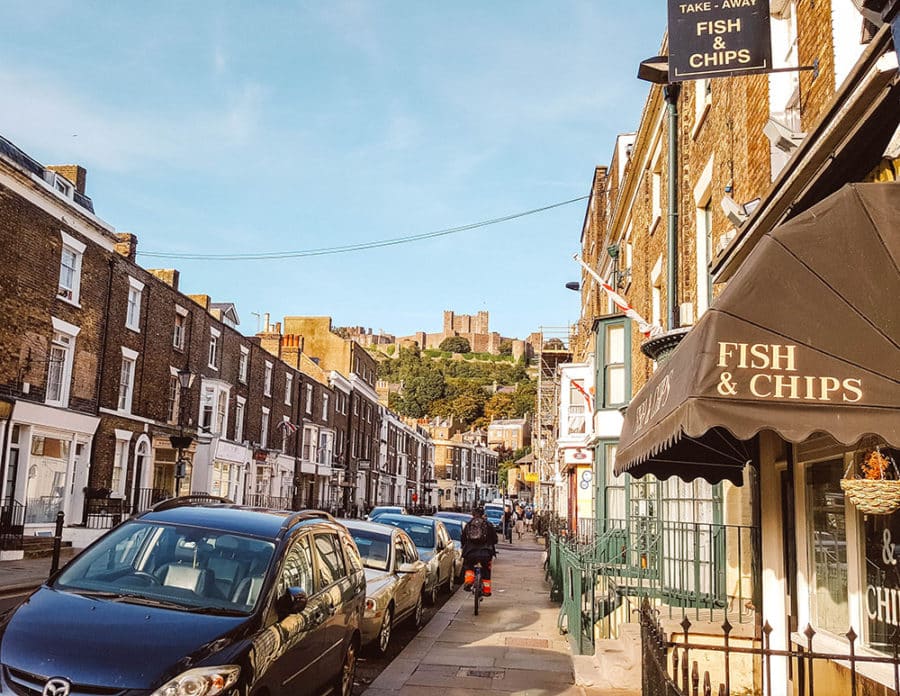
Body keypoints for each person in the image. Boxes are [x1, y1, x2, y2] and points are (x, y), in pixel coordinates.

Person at [461, 507, 499, 596]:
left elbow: (463, 539)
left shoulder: (469, 525)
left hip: (471, 552)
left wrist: (464, 547)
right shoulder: (488, 525)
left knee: (469, 566)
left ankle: (469, 581)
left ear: (473, 515)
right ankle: (486, 590)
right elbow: (495, 539)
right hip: (485, 552)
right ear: (483, 514)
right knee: (486, 569)